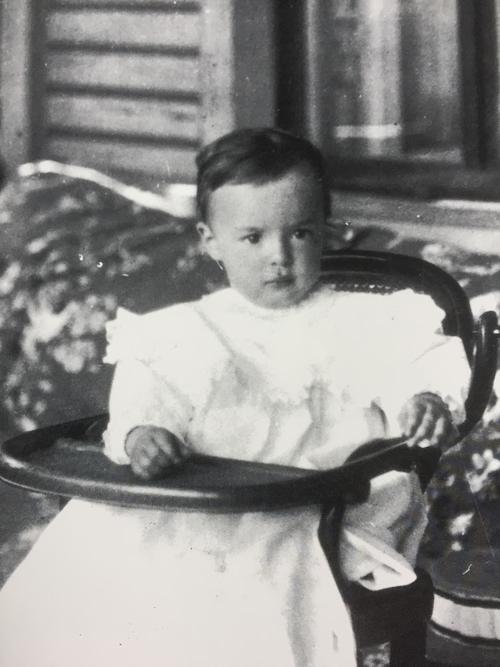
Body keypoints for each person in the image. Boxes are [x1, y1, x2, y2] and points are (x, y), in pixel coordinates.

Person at [0, 128, 469, 667]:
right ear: (210, 240)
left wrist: (428, 400)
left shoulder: (369, 320)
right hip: (198, 503)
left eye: (300, 233)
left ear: (326, 232)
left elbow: (424, 366)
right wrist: (144, 436)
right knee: (102, 556)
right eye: (253, 238)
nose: (279, 257)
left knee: (245, 590)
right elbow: (145, 401)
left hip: (314, 511)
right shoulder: (186, 331)